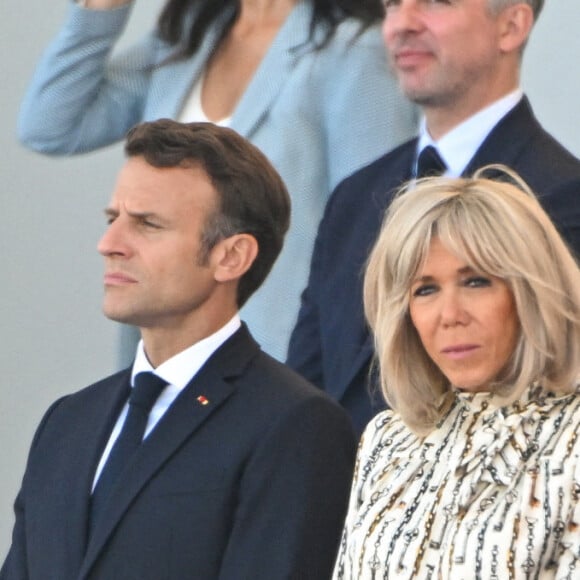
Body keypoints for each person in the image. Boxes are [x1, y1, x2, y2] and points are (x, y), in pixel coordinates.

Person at [1, 119, 357, 580]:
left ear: (231, 256)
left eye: (147, 224)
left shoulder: (296, 424)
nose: (109, 245)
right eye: (113, 220)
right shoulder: (66, 422)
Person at [17, 0, 417, 364]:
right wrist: (100, 9)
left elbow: (371, 228)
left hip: (279, 359)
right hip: (163, 355)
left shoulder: (352, 48)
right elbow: (50, 125)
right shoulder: (189, 35)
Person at [287, 0, 580, 434]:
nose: (401, 25)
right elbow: (307, 386)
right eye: (391, 5)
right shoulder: (353, 197)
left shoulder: (563, 194)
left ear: (511, 25)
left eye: (434, 3)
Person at [333, 166, 580, 578]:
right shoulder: (386, 439)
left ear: (532, 292)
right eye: (425, 290)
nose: (450, 316)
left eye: (476, 282)